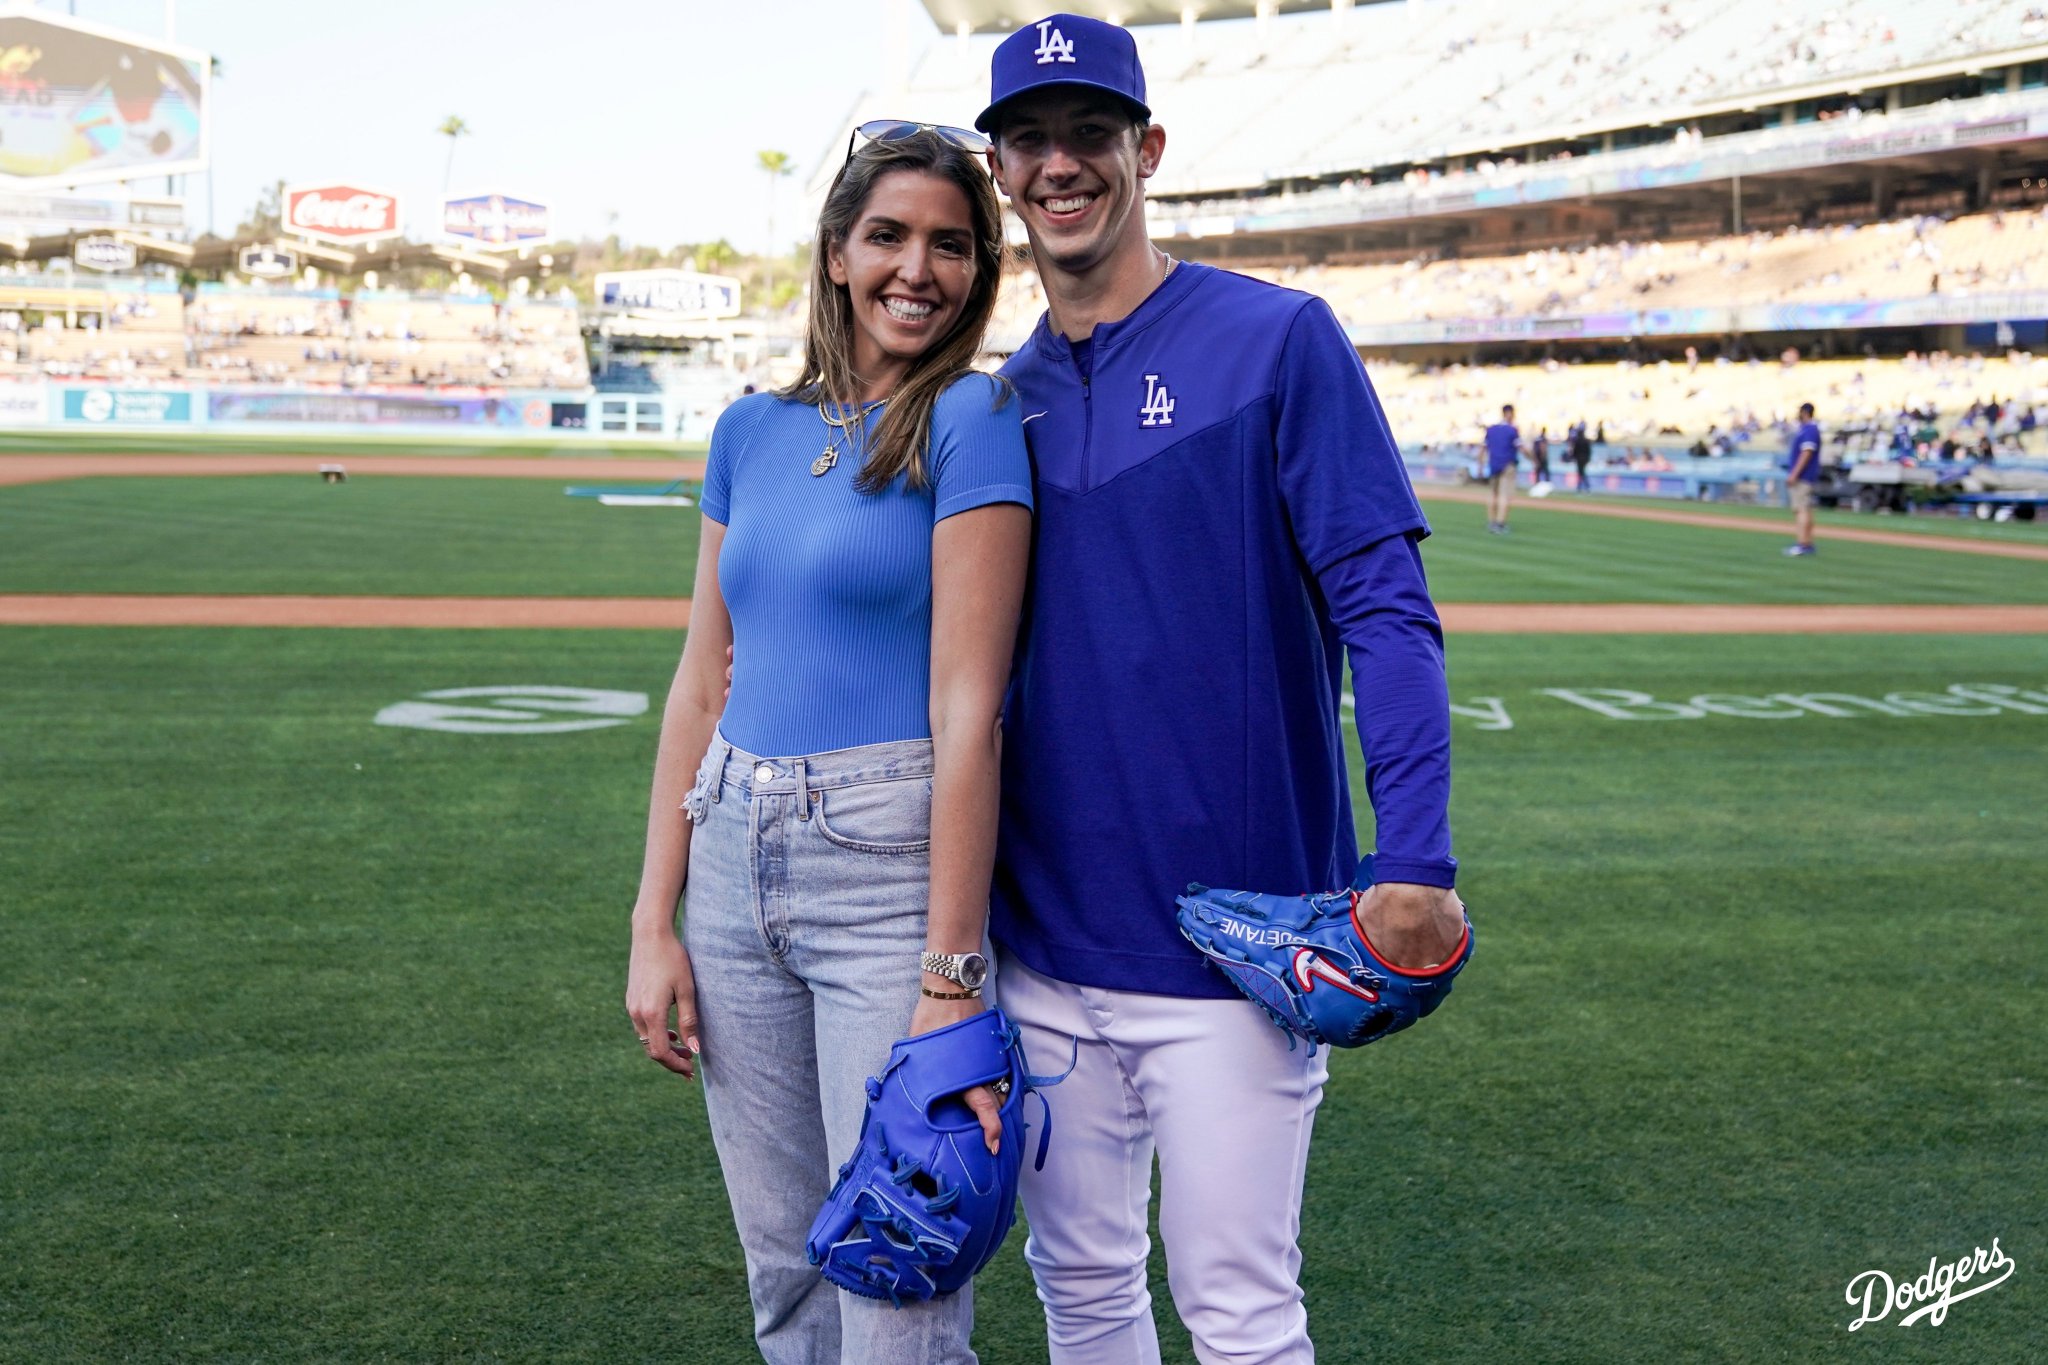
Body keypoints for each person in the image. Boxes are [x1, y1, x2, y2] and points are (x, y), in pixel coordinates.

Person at [978, 15, 1468, 1361]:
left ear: (1148, 150)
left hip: (1237, 936)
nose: (1062, 163)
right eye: (1032, 138)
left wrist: (1412, 851)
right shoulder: (999, 396)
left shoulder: (1277, 339)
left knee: (1241, 1314)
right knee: (1082, 1294)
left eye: (1091, 134)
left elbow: (1387, 605)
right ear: (1002, 169)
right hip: (1042, 946)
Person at [624, 124, 1033, 1365]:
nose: (920, 269)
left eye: (952, 246)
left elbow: (972, 713)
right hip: (733, 851)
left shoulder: (970, 418)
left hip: (888, 866)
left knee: (897, 1280)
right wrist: (655, 921)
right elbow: (700, 680)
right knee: (785, 1273)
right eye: (890, 236)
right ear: (838, 254)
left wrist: (949, 975)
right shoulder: (748, 430)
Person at [1784, 400, 1822, 556]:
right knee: (1805, 508)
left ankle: (1802, 544)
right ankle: (1806, 543)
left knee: (1801, 509)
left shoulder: (1809, 430)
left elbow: (1806, 453)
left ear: (1805, 412)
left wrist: (1794, 474)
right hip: (1806, 476)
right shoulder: (1806, 430)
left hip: (1803, 477)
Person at [1484, 402, 1521, 532]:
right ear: (1509, 413)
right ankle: (1500, 523)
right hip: (1507, 464)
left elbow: (1483, 448)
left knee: (1492, 494)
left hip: (1493, 464)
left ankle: (1492, 522)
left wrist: (1479, 465)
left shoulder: (1491, 429)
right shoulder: (1512, 430)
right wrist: (1534, 458)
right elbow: (1520, 447)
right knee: (1505, 495)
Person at [1569, 418, 1593, 490]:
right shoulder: (1586, 441)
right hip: (1584, 459)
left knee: (1581, 472)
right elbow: (1589, 451)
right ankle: (1583, 486)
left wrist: (1573, 457)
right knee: (1582, 472)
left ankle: (1583, 486)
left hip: (1579, 459)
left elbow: (1574, 451)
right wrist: (1588, 458)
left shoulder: (1577, 441)